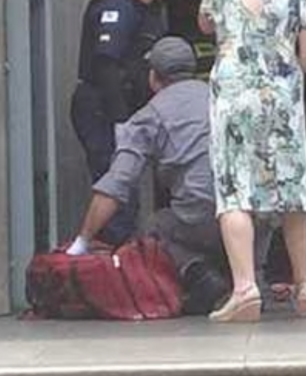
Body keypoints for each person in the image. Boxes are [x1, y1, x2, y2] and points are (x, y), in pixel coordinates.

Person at [197, 0, 306, 323]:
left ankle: (245, 288)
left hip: (233, 96)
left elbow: (206, 25)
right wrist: (282, 75)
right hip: (281, 97)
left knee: (234, 189)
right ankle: (305, 286)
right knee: (295, 187)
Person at [64, 36, 231, 313]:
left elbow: (117, 184)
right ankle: (252, 281)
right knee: (238, 218)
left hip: (201, 215)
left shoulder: (149, 116)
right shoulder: (224, 99)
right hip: (252, 213)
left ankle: (199, 273)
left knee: (156, 226)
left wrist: (82, 241)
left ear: (153, 77)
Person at [70, 0, 169, 245]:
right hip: (103, 107)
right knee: (116, 185)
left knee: (127, 189)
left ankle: (123, 255)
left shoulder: (150, 10)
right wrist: (121, 121)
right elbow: (107, 67)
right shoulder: (117, 7)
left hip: (128, 108)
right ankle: (116, 257)